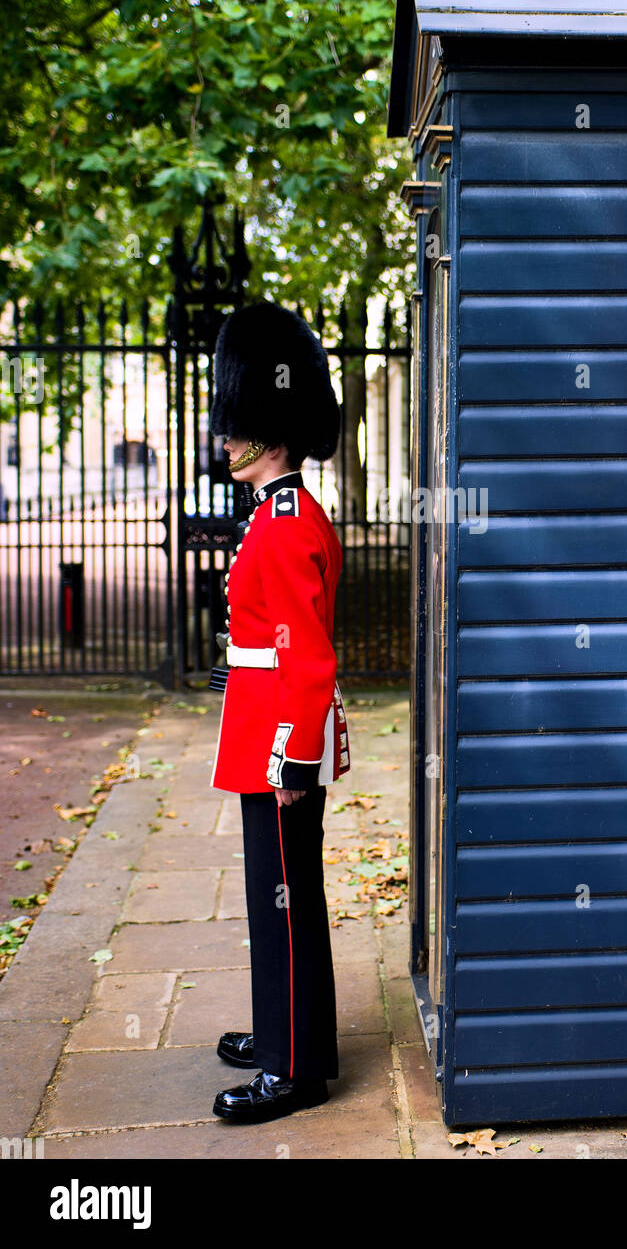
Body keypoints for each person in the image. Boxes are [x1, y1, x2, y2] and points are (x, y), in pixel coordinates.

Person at [206, 300, 350, 1124]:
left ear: (271, 429)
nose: (225, 439)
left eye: (236, 425)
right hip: (268, 735)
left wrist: (293, 759)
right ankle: (288, 1036)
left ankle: (293, 1070)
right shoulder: (276, 514)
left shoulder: (288, 522)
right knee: (280, 898)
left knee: (284, 901)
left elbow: (305, 656)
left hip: (279, 746)